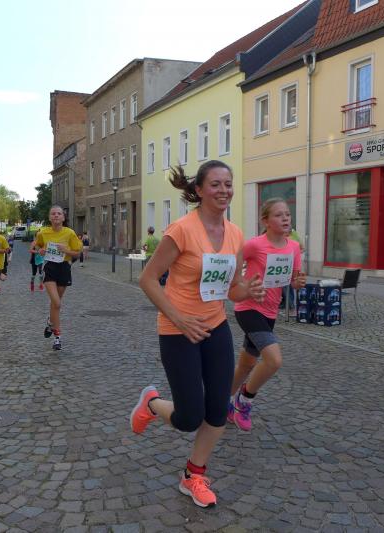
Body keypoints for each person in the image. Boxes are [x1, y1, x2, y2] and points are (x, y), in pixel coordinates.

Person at [130, 161, 264, 508]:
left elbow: (231, 289)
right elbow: (148, 279)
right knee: (189, 417)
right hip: (178, 330)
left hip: (215, 326)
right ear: (200, 190)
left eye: (228, 184)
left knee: (218, 409)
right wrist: (179, 319)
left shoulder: (235, 234)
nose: (224, 190)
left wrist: (247, 291)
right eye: (216, 184)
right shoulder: (182, 230)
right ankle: (151, 403)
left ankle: (193, 475)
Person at [228, 198, 307, 432]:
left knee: (247, 363)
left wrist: (298, 283)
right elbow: (233, 267)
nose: (285, 218)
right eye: (279, 215)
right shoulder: (255, 245)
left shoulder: (294, 247)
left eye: (287, 214)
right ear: (265, 221)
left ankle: (222, 401)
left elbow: (294, 280)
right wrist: (243, 285)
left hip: (271, 311)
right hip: (249, 308)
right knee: (274, 360)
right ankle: (244, 400)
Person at [35, 206, 82, 350]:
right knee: (57, 302)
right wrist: (40, 250)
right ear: (49, 217)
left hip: (64, 268)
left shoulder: (69, 233)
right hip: (50, 267)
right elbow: (37, 246)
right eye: (53, 214)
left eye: (59, 213)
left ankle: (50, 322)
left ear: (63, 217)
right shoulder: (43, 233)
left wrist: (66, 250)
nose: (56, 215)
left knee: (56, 303)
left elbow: (77, 253)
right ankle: (57, 337)